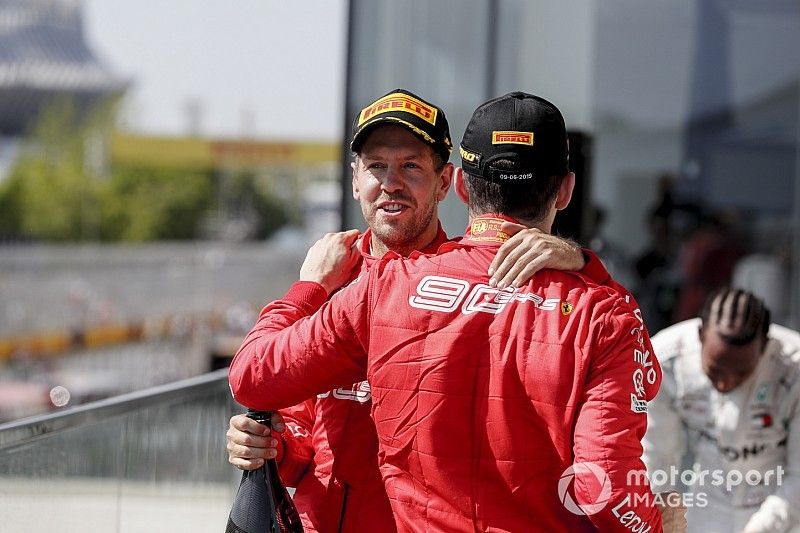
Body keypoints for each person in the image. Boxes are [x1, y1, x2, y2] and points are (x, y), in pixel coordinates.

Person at [228, 91, 681, 532]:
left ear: (455, 184)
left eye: (410, 166)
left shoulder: (388, 286)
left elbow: (252, 372)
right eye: (376, 166)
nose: (391, 182)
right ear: (565, 191)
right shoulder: (605, 312)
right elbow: (604, 486)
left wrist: (581, 264)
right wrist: (276, 449)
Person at [643, 287, 800, 532]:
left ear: (765, 347)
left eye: (742, 374)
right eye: (715, 370)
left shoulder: (794, 369)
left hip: (780, 495)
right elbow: (656, 458)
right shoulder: (663, 361)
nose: (725, 384)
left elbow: (799, 475)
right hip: (710, 494)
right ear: (700, 336)